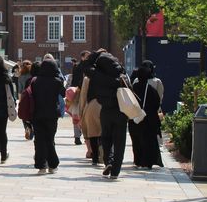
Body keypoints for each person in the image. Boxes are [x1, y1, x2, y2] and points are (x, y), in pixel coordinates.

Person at [83, 48, 127, 179]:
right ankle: (115, 171)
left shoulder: (98, 76)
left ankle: (108, 161)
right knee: (120, 141)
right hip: (121, 111)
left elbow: (86, 66)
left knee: (106, 138)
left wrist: (96, 54)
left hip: (106, 110)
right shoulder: (121, 75)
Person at [31, 57, 64, 174]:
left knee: (40, 140)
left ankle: (41, 165)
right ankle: (52, 164)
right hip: (52, 114)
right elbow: (63, 92)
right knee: (50, 139)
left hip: (37, 113)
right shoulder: (57, 82)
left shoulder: (35, 81)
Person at [129, 60, 165, 169]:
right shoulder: (152, 88)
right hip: (149, 119)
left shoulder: (134, 86)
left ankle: (138, 160)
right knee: (148, 140)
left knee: (136, 140)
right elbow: (157, 102)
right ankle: (148, 161)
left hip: (135, 118)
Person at [70, 51, 91, 145]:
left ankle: (80, 134)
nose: (88, 58)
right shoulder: (79, 67)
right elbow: (74, 81)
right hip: (79, 93)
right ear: (82, 57)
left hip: (85, 93)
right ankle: (77, 136)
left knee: (81, 115)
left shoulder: (90, 66)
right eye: (87, 56)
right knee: (77, 115)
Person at [17, 60, 37, 140]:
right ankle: (33, 127)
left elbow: (20, 90)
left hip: (24, 96)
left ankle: (27, 128)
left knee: (24, 115)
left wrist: (20, 100)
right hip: (32, 96)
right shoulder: (32, 76)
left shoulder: (21, 77)